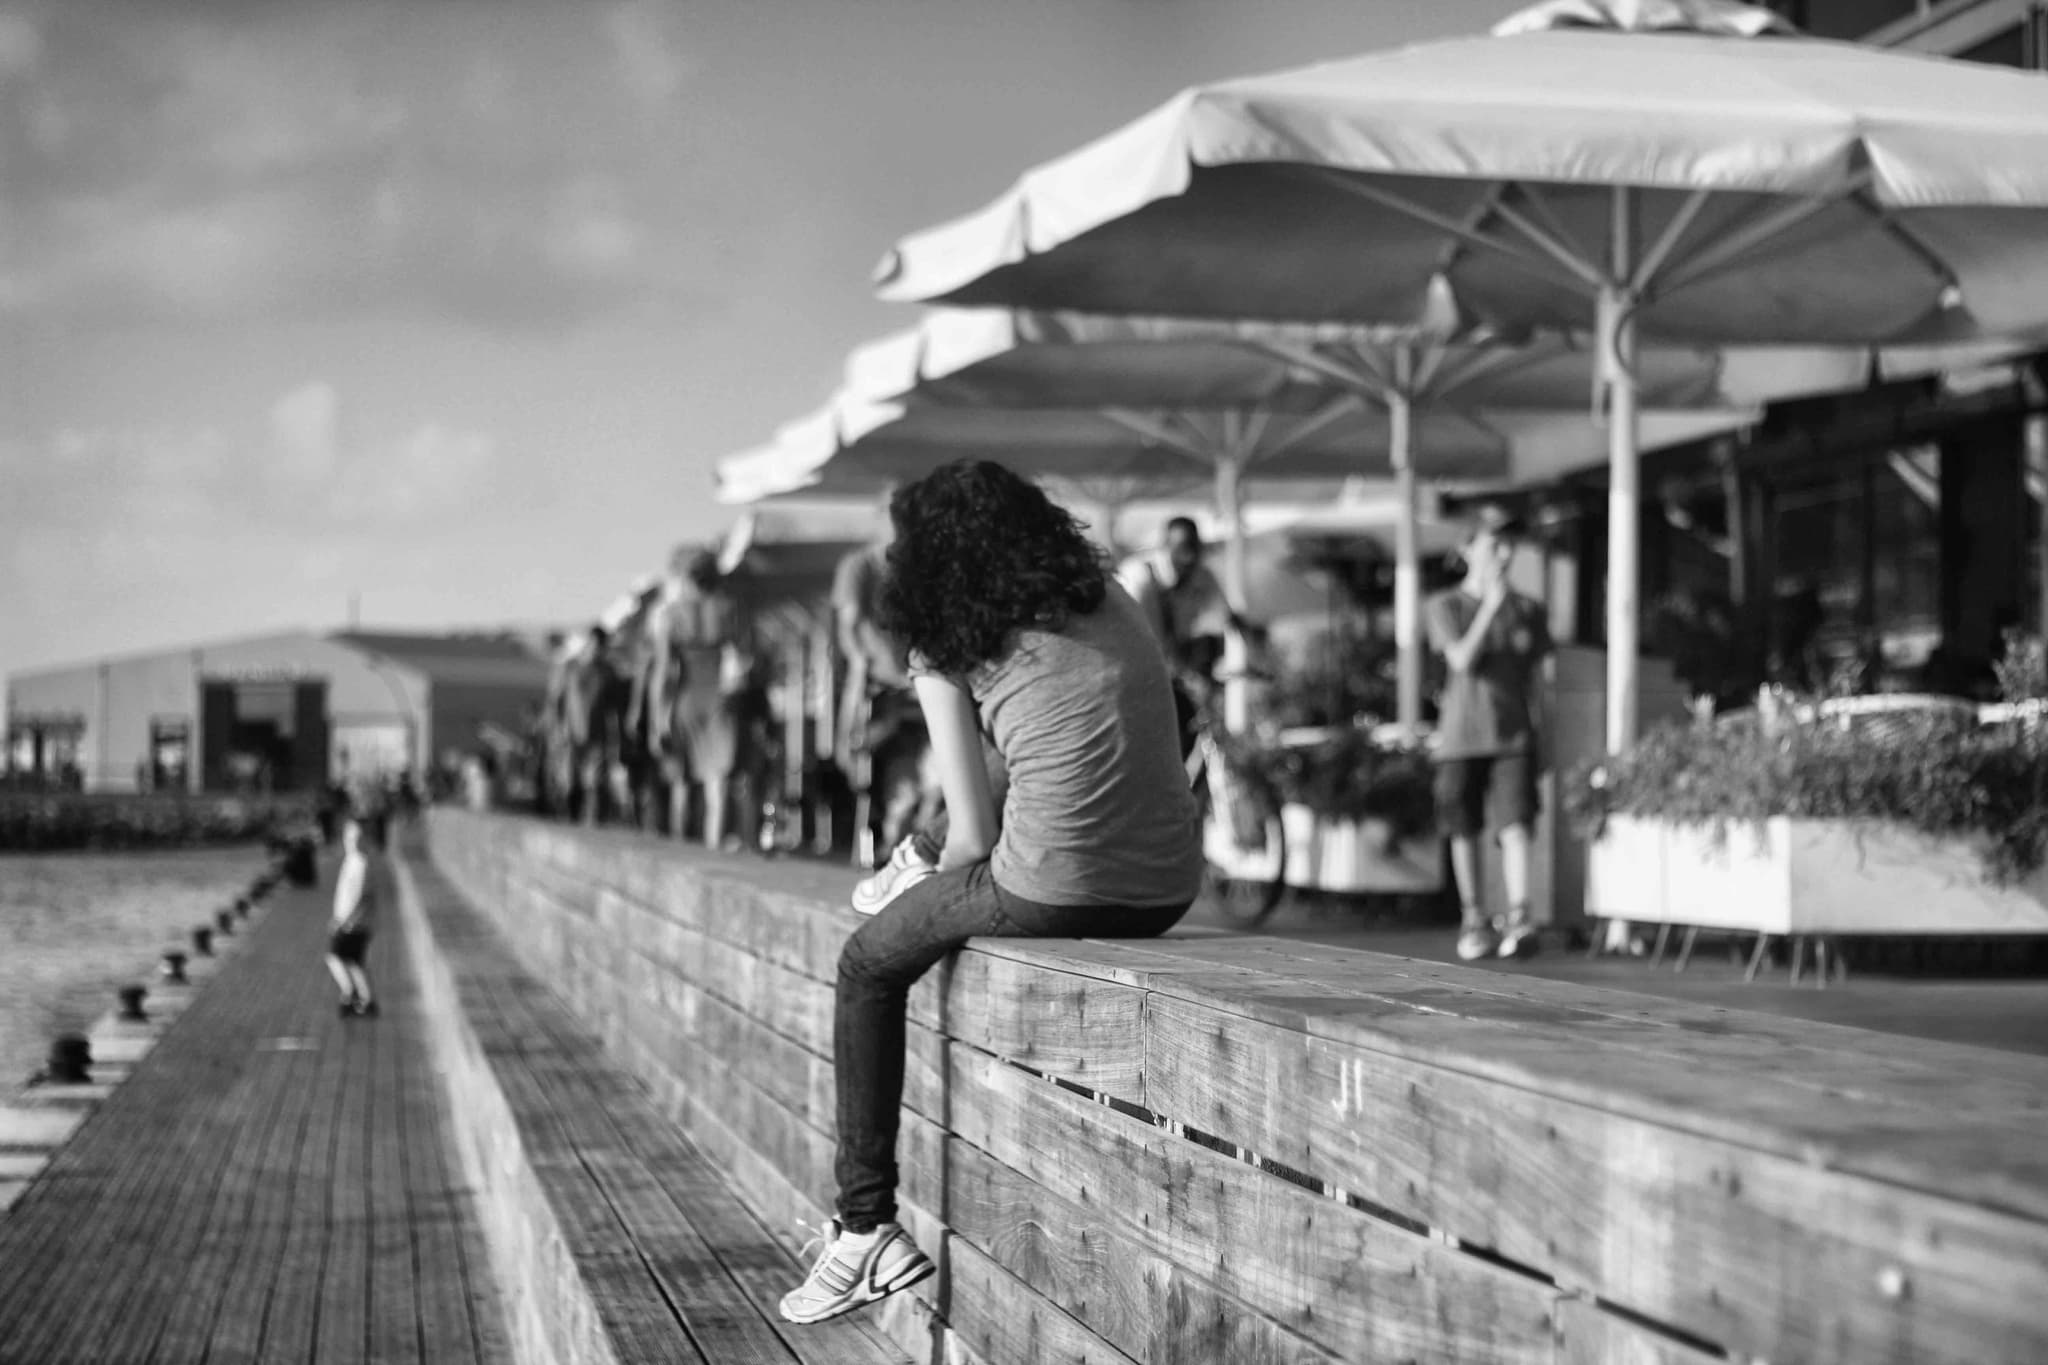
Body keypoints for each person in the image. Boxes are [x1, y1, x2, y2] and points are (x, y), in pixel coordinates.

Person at [779, 461, 1203, 1325]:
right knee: (1007, 769)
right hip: (1167, 884)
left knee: (866, 962)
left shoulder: (942, 639)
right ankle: (911, 853)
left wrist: (944, 863)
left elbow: (978, 840)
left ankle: (862, 1227)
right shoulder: (1109, 597)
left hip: (1057, 886)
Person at [1425, 502, 1551, 962]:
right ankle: (1474, 917)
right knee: (1464, 826)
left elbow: (1539, 680)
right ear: (1467, 549)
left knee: (1517, 823)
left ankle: (1521, 915)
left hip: (1514, 735)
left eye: (1509, 545)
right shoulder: (1445, 605)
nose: (1504, 554)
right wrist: (1489, 608)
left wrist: (1547, 734)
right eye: (1494, 544)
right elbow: (1460, 659)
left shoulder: (1529, 609)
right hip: (1460, 736)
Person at [1115, 517, 1239, 745]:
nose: (1188, 557)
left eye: (1193, 548)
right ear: (1165, 546)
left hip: (1169, 672)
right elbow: (1132, 641)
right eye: (1181, 548)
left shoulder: (1199, 575)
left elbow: (1226, 614)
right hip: (1134, 679)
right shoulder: (1138, 578)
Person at [325, 816, 385, 1018]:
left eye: (357, 837)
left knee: (335, 957)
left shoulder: (360, 862)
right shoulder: (352, 859)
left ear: (364, 838)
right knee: (355, 961)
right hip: (354, 922)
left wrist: (341, 921)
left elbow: (360, 896)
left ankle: (349, 993)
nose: (352, 841)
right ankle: (368, 1000)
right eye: (349, 837)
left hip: (354, 923)